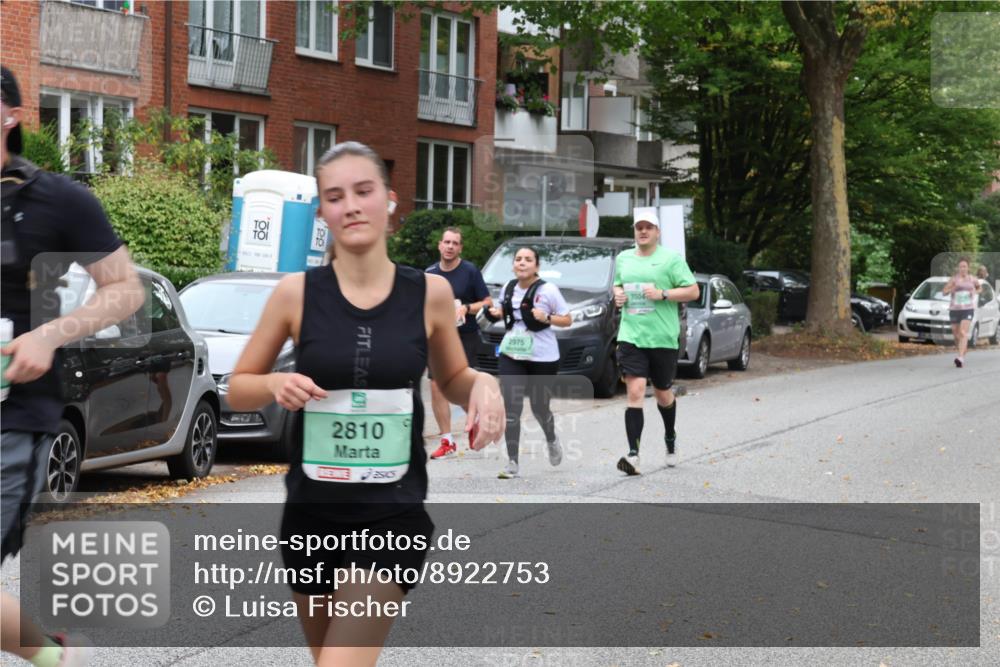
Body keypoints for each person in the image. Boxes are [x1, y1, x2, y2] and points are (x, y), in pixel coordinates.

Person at [226, 141, 504, 665]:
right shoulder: (295, 293)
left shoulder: (430, 294)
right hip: (311, 514)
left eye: (363, 191)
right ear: (323, 212)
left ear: (390, 201)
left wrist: (484, 388)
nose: (350, 205)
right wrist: (272, 387)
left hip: (391, 516)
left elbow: (454, 376)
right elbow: (239, 383)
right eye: (335, 196)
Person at [1, 66, 144, 667]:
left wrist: (48, 335)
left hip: (14, 418)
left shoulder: (58, 199)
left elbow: (125, 290)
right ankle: (55, 658)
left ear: (9, 116)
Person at [612, 209, 699, 476]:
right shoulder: (624, 259)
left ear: (657, 232)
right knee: (635, 391)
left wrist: (662, 293)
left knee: (662, 392)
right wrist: (618, 296)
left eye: (648, 227)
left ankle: (670, 438)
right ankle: (634, 455)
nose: (643, 231)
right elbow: (617, 285)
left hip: (662, 337)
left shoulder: (671, 259)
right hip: (631, 335)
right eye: (639, 227)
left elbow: (693, 291)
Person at [484, 246, 571, 479]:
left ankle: (551, 439)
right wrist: (494, 313)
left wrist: (548, 317)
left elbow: (567, 319)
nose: (522, 263)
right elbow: (505, 311)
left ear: (537, 266)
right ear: (513, 265)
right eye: (518, 259)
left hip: (542, 357)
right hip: (512, 353)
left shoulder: (548, 290)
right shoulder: (509, 287)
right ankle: (512, 462)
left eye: (528, 259)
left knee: (539, 407)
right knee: (512, 407)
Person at [425, 227, 492, 459]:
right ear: (439, 245)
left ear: (460, 247)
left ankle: (475, 420)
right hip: (438, 337)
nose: (450, 246)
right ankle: (447, 440)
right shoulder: (430, 274)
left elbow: (487, 301)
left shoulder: (470, 271)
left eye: (455, 243)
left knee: (460, 388)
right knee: (436, 385)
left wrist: (467, 308)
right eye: (447, 242)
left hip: (465, 336)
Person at [942, 257, 981, 368]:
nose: (962, 269)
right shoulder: (954, 280)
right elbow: (944, 291)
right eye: (960, 267)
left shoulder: (972, 279)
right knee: (956, 333)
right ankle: (963, 349)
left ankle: (960, 358)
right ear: (958, 268)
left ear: (968, 268)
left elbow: (979, 288)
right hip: (954, 309)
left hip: (968, 309)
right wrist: (951, 289)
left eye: (964, 266)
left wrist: (974, 291)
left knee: (963, 332)